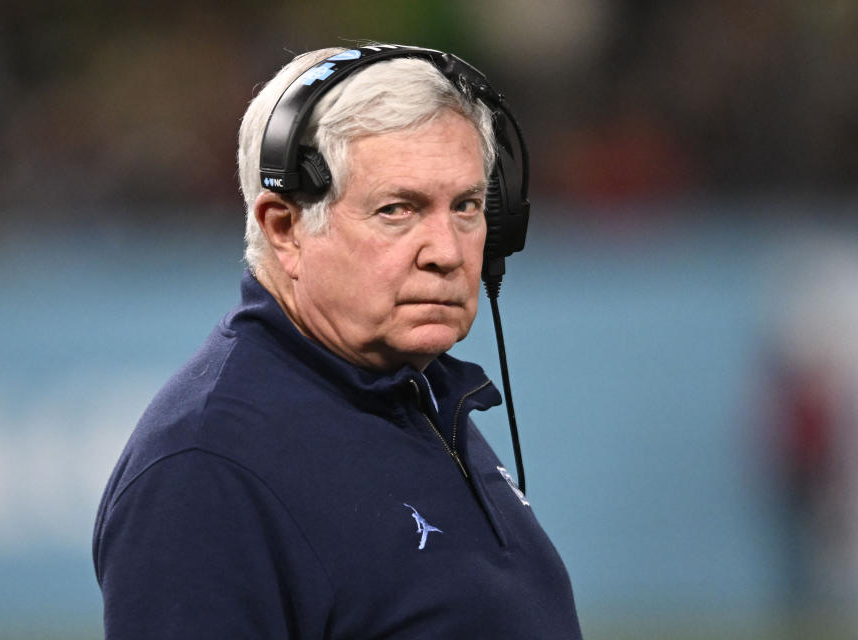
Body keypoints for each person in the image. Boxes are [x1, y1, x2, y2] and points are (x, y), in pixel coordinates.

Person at [93, 44, 583, 639]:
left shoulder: (411, 393)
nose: (449, 253)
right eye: (398, 209)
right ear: (286, 228)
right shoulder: (207, 468)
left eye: (467, 206)